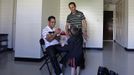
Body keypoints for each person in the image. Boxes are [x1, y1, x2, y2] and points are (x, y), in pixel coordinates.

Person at [65, 2, 88, 75]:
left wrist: (84, 32)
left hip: (79, 34)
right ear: (69, 8)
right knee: (72, 51)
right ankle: (73, 65)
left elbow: (84, 23)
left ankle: (80, 64)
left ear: (75, 6)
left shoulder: (80, 13)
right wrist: (67, 33)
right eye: (70, 7)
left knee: (79, 51)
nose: (72, 9)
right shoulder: (69, 16)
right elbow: (67, 25)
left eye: (73, 7)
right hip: (72, 34)